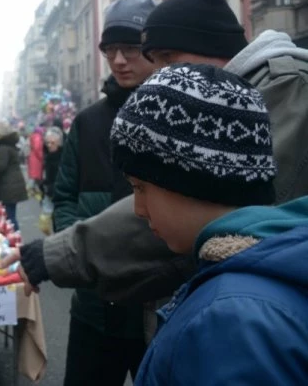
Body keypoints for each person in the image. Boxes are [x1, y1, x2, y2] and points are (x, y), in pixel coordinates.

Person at [4, 0, 308, 339]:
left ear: (211, 48)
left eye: (166, 59)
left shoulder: (285, 88)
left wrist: (61, 253)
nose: (157, 73)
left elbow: (192, 211)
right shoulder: (96, 119)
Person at [112, 63, 308, 384]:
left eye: (141, 187)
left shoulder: (230, 320)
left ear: (193, 180)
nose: (138, 209)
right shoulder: (247, 287)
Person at [50, 0, 157, 386]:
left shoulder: (175, 114)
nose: (119, 60)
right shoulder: (88, 122)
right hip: (96, 310)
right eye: (111, 50)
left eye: (130, 48)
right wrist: (83, 258)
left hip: (158, 311)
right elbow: (63, 197)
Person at [38, 127, 64, 235]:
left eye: (52, 143)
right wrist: (43, 184)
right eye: (47, 143)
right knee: (45, 223)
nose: (49, 145)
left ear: (59, 143)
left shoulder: (63, 157)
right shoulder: (48, 156)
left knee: (60, 223)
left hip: (61, 195)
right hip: (49, 193)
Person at [27, 127, 44, 199]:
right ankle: (28, 190)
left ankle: (34, 191)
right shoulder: (38, 137)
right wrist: (41, 156)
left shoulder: (33, 137)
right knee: (34, 176)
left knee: (34, 176)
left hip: (33, 157)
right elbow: (37, 148)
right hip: (36, 159)